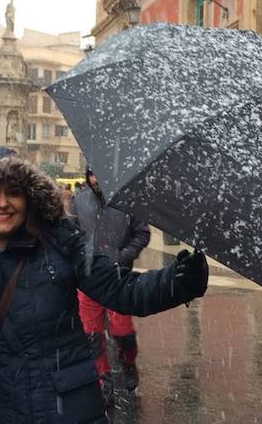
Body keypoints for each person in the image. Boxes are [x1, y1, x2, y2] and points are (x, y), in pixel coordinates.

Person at [0, 154, 208, 423]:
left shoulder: (59, 242)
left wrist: (181, 279)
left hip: (69, 407)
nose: (3, 203)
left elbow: (122, 289)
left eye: (14, 193)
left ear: (29, 197)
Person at [71, 167, 152, 399]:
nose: (96, 179)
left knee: (123, 331)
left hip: (118, 278)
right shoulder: (80, 200)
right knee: (92, 334)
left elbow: (142, 233)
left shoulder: (128, 201)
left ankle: (128, 361)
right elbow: (72, 232)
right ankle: (102, 380)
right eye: (92, 174)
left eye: (99, 174)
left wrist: (123, 255)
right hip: (89, 279)